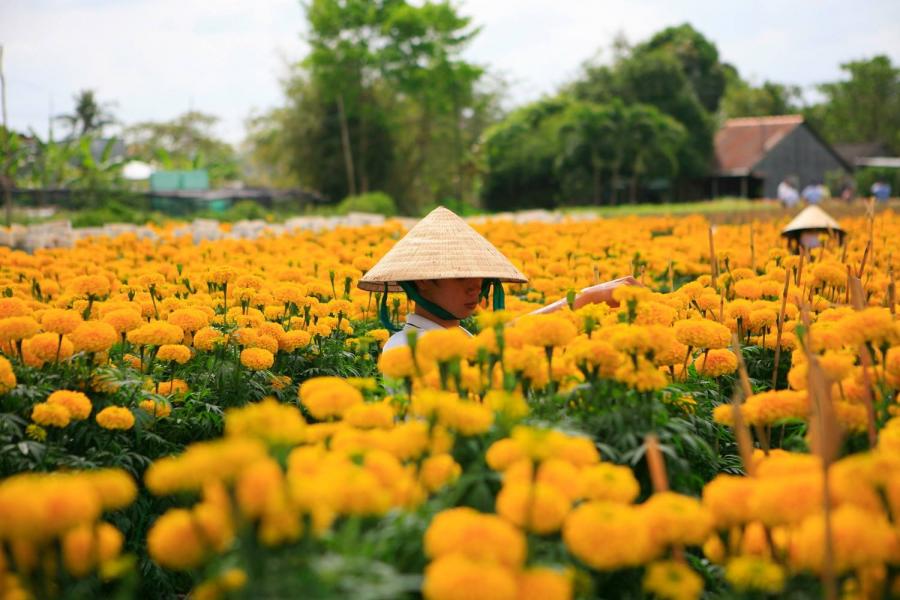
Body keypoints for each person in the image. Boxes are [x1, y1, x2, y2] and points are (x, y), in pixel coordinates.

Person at [357, 206, 639, 352]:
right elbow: (482, 357)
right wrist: (584, 299)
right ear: (421, 282)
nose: (475, 286)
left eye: (480, 275)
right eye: (460, 276)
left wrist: (585, 298)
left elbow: (491, 345)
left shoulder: (458, 336)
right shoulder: (404, 347)